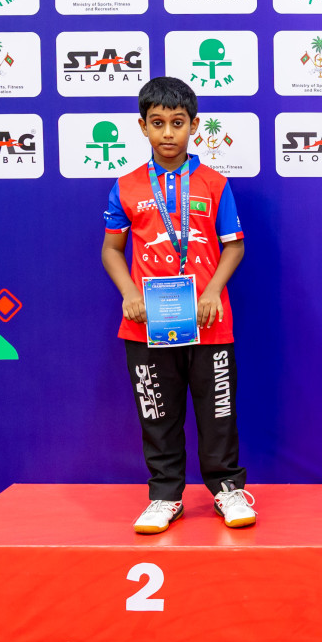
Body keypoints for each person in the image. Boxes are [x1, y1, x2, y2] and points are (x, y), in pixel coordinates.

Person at [101, 76, 256, 533]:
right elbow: (111, 250)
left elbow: (234, 246)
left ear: (195, 126)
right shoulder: (126, 186)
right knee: (157, 413)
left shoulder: (214, 183)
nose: (168, 133)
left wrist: (212, 292)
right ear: (142, 127)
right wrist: (130, 292)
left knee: (218, 412)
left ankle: (228, 489)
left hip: (210, 322)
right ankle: (165, 494)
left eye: (177, 123)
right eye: (157, 123)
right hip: (148, 324)